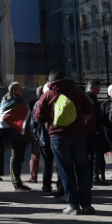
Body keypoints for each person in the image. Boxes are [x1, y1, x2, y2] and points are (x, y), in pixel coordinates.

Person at [34, 69, 95, 215]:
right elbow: (90, 109)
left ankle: (73, 205)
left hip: (58, 137)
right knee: (83, 171)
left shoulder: (48, 95)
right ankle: (86, 204)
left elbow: (38, 117)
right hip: (79, 136)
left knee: (66, 172)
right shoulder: (78, 92)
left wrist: (51, 118)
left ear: (50, 81)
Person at [0, 82, 31, 190]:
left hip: (17, 133)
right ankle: (16, 182)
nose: (22, 91)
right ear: (14, 91)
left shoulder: (6, 101)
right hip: (17, 134)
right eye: (19, 89)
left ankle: (17, 181)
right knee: (16, 158)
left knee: (17, 158)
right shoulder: (14, 102)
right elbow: (9, 117)